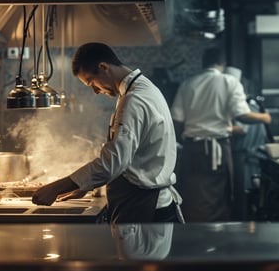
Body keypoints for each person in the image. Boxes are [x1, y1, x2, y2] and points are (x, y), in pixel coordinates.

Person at [32, 42, 185, 224]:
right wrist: (84, 185)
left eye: (91, 83)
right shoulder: (141, 89)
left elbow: (113, 162)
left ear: (103, 67)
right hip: (145, 203)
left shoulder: (134, 100)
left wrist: (56, 187)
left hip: (145, 207)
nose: (95, 91)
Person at [170, 46, 271, 222]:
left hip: (191, 150)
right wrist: (265, 117)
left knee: (191, 196)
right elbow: (242, 115)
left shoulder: (187, 84)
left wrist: (182, 143)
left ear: (204, 63)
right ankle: (215, 242)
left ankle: (192, 241)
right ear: (222, 63)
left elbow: (176, 121)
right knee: (217, 197)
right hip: (217, 148)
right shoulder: (229, 82)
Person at [224, 66, 271, 220]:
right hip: (256, 157)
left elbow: (242, 129)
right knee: (253, 195)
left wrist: (220, 127)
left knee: (243, 195)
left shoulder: (245, 107)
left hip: (244, 159)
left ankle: (243, 227)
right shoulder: (254, 105)